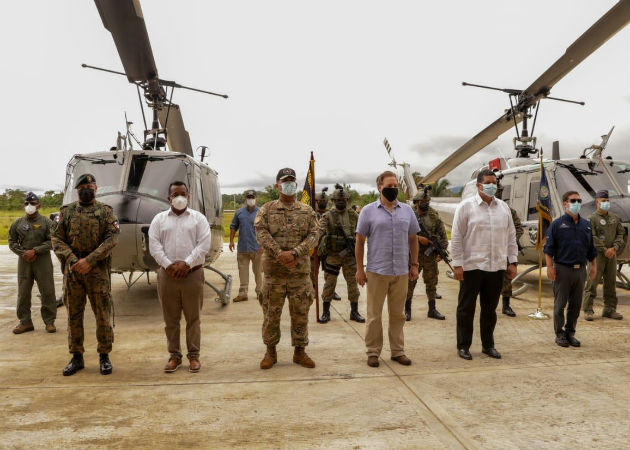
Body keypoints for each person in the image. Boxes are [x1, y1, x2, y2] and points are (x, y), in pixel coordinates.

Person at [52, 174, 119, 376]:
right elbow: (56, 238)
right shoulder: (67, 212)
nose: (86, 189)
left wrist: (89, 260)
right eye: (82, 186)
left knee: (102, 315)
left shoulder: (105, 212)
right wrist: (73, 260)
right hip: (73, 271)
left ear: (96, 188)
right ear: (77, 190)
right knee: (73, 315)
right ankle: (76, 357)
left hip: (97, 270)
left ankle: (104, 356)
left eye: (90, 185)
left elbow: (112, 238)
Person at [255, 168, 320, 370]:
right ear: (277, 185)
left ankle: (300, 352)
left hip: (299, 274)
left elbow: (314, 235)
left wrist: (295, 253)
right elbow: (261, 233)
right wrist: (279, 254)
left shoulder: (307, 211)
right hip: (274, 274)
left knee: (300, 314)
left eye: (292, 181)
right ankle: (270, 352)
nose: (289, 185)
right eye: (285, 181)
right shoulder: (266, 210)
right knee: (271, 314)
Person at [451, 169, 518, 360]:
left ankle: (488, 345)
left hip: (496, 268)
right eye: (488, 182)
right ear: (479, 185)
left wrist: (512, 261)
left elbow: (511, 237)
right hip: (471, 267)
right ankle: (463, 346)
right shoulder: (465, 207)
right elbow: (456, 238)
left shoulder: (504, 208)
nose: (492, 186)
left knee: (490, 310)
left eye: (494, 182)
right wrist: (457, 264)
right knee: (466, 309)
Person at [355, 171, 419, 368]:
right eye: (389, 186)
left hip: (400, 271)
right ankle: (373, 352)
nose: (393, 190)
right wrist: (359, 269)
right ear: (379, 187)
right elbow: (359, 241)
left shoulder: (407, 211)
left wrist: (414, 264)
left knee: (398, 314)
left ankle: (398, 351)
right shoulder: (367, 211)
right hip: (377, 271)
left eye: (395, 186)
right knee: (374, 315)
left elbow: (413, 238)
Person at [149, 181, 211, 373]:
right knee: (171, 320)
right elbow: (154, 245)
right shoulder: (159, 220)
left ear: (188, 196)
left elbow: (204, 244)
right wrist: (169, 265)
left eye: (183, 194)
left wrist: (186, 264)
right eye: (175, 194)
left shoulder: (198, 219)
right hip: (167, 276)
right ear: (169, 198)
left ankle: (194, 356)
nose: (179, 197)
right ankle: (174, 356)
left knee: (193, 318)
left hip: (192, 274)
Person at [544, 190, 597, 347]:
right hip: (562, 270)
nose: (577, 204)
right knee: (560, 304)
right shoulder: (557, 224)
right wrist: (549, 267)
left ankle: (570, 332)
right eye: (573, 201)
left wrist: (593, 266)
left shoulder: (586, 225)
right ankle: (559, 334)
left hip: (580, 270)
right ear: (565, 203)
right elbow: (549, 248)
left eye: (579, 200)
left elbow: (591, 249)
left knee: (576, 305)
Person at [8, 192, 57, 334]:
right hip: (24, 261)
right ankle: (25, 322)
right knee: (23, 292)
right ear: (24, 205)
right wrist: (23, 253)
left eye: (33, 204)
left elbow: (53, 241)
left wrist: (35, 251)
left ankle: (49, 322)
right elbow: (11, 242)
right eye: (27, 204)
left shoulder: (47, 222)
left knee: (47, 291)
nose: (30, 206)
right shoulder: (18, 223)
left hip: (42, 260)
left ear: (39, 206)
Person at [318, 184, 365, 323]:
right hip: (333, 255)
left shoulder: (354, 215)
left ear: (347, 201)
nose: (340, 202)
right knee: (329, 284)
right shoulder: (328, 216)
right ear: (332, 201)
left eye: (343, 200)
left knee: (352, 284)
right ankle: (326, 312)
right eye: (338, 199)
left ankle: (354, 311)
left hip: (350, 256)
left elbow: (361, 232)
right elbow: (320, 229)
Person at [405, 187, 448, 321]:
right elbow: (401, 233)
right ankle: (407, 309)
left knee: (432, 283)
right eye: (422, 200)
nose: (425, 202)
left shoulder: (434, 216)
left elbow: (442, 236)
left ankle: (432, 309)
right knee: (409, 284)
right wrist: (418, 239)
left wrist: (441, 252)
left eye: (427, 200)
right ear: (416, 202)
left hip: (430, 256)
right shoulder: (409, 214)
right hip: (413, 256)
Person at [582, 190, 625, 321]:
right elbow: (592, 237)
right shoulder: (592, 219)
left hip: (612, 255)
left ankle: (609, 309)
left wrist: (614, 248)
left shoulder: (614, 218)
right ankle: (588, 310)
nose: (605, 203)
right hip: (597, 256)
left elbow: (620, 234)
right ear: (597, 202)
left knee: (611, 282)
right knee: (592, 282)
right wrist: (604, 249)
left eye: (607, 201)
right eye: (603, 201)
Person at [496, 181, 524, 317]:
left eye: (500, 191)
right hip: (489, 251)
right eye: (497, 190)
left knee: (507, 278)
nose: (498, 193)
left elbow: (518, 228)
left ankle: (506, 305)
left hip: (506, 250)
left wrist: (511, 239)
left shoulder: (508, 210)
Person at [229, 190, 262, 303]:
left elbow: (265, 230)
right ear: (245, 199)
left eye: (252, 197)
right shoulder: (239, 212)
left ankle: (260, 292)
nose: (250, 199)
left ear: (256, 198)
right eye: (248, 197)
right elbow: (233, 226)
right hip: (243, 248)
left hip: (257, 248)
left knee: (258, 272)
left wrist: (263, 246)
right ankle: (243, 293)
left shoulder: (261, 212)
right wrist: (231, 241)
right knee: (242, 272)